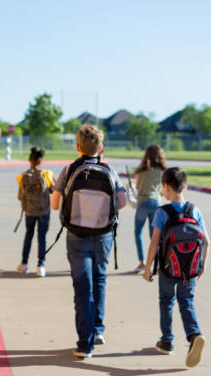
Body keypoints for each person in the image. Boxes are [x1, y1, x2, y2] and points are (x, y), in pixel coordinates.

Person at [51, 124, 127, 358]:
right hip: (103, 234)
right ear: (101, 147)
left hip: (76, 235)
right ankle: (98, 329)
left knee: (82, 287)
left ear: (77, 147)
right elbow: (122, 201)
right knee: (99, 279)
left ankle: (85, 344)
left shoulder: (69, 169)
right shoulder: (109, 170)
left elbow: (55, 205)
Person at [143, 167, 210, 368]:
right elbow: (206, 241)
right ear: (185, 187)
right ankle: (194, 335)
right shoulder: (195, 211)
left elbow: (154, 242)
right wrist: (202, 265)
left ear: (165, 187)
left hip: (167, 267)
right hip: (190, 269)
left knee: (166, 301)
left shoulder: (162, 212)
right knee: (186, 301)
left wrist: (148, 268)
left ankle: (167, 341)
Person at [16, 147, 55, 277]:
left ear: (29, 160)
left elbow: (19, 196)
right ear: (41, 161)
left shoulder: (23, 176)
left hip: (29, 212)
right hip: (43, 211)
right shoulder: (47, 174)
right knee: (41, 238)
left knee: (28, 236)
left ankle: (24, 264)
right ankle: (40, 266)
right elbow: (53, 191)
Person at [133, 144, 168, 272]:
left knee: (138, 232)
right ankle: (157, 264)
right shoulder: (162, 171)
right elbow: (163, 191)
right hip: (157, 204)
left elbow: (137, 188)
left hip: (143, 203)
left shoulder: (142, 171)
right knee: (155, 235)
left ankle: (142, 262)